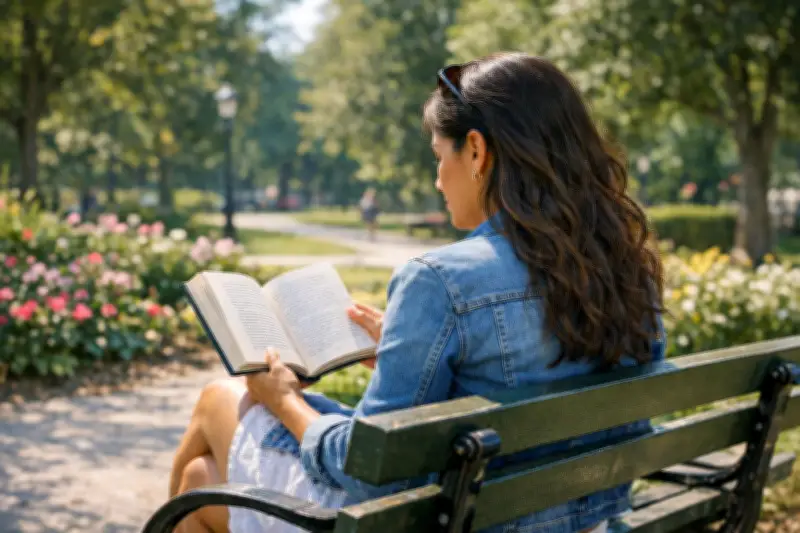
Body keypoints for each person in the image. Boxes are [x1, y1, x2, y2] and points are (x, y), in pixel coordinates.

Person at [168, 52, 666, 533]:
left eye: (437, 156)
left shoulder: (441, 279)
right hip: (578, 519)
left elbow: (367, 474)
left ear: (476, 150)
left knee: (219, 400)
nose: (436, 179)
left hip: (442, 519)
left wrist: (284, 403)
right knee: (201, 484)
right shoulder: (625, 270)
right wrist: (406, 352)